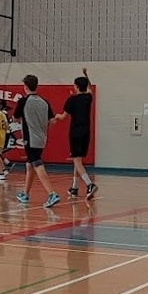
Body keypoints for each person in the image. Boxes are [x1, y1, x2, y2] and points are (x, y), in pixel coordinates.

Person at [14, 74, 59, 208]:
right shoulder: (44, 101)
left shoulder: (23, 101)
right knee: (30, 164)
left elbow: (16, 118)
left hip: (30, 139)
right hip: (41, 138)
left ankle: (52, 193)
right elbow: (52, 122)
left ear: (25, 87)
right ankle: (25, 193)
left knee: (36, 163)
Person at [54, 67, 98, 200]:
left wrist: (56, 116)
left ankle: (89, 184)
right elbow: (90, 86)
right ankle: (74, 187)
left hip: (75, 132)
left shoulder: (71, 100)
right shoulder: (88, 98)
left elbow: (63, 117)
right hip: (86, 132)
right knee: (77, 160)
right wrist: (86, 74)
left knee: (77, 160)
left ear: (76, 86)